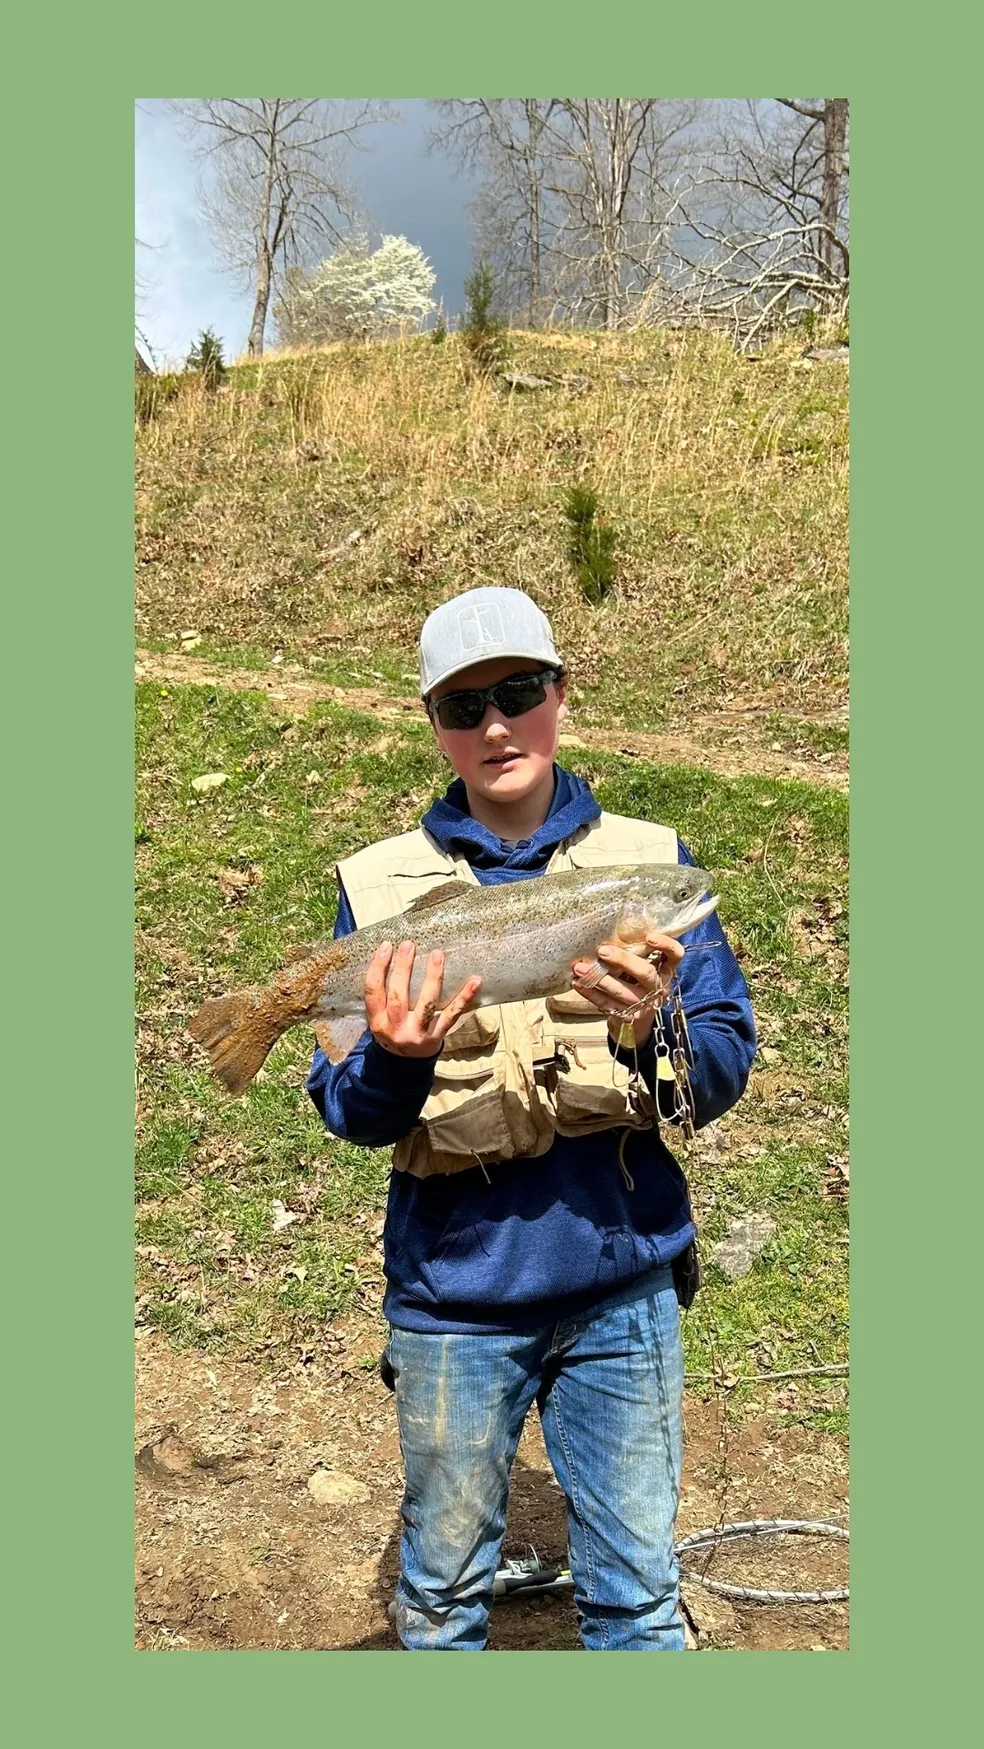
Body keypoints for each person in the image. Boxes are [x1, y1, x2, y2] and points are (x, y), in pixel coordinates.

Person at [307, 586, 756, 1651]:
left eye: (518, 692)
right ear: (433, 725)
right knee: (445, 1600)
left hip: (624, 1287)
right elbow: (349, 1110)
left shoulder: (648, 861)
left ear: (561, 695)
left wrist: (654, 1028)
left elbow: (724, 1060)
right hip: (454, 1299)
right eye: (465, 707)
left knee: (641, 1601)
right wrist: (398, 1064)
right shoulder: (379, 891)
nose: (495, 724)